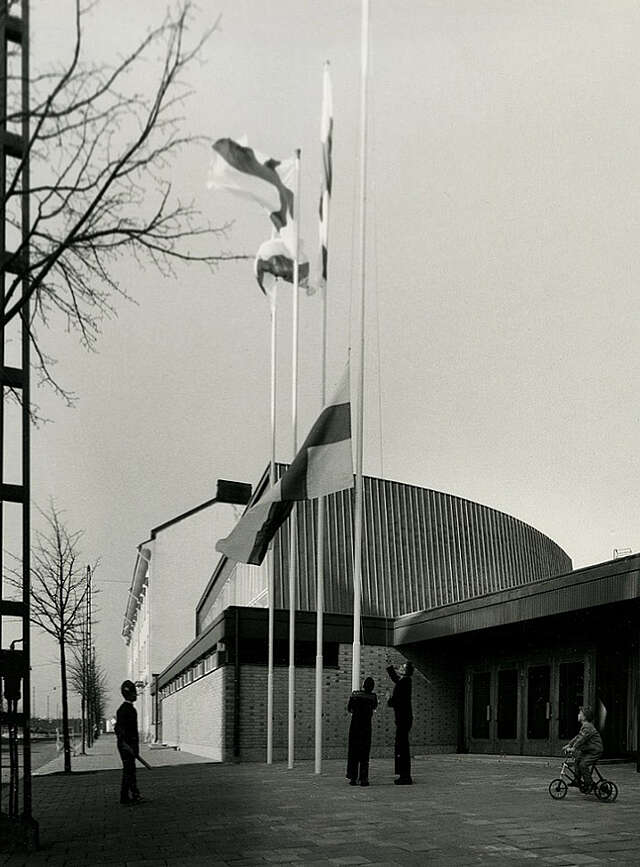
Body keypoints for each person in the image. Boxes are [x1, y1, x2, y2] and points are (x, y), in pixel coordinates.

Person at [346, 677, 378, 786]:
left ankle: (353, 778)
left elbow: (349, 708)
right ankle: (364, 778)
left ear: (363, 685)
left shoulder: (355, 695)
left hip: (355, 726)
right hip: (366, 727)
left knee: (353, 752)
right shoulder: (373, 697)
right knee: (364, 754)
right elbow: (374, 707)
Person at [564, 705, 603, 792]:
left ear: (584, 717)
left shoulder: (588, 727)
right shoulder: (585, 726)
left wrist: (574, 748)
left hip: (594, 751)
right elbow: (578, 737)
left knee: (583, 765)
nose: (578, 715)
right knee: (577, 759)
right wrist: (569, 745)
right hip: (588, 750)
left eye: (579, 713)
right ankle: (577, 780)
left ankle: (589, 783)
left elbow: (581, 739)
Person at [115, 679, 142, 805]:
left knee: (131, 770)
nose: (136, 695)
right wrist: (127, 745)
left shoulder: (127, 709)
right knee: (128, 771)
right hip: (126, 746)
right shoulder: (126, 710)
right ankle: (124, 797)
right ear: (129, 694)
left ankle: (135, 794)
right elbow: (120, 730)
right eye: (134, 693)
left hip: (129, 745)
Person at [387, 661, 414, 785]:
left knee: (402, 747)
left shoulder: (405, 682)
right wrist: (389, 666)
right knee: (401, 745)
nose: (400, 667)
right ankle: (403, 774)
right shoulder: (404, 681)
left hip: (403, 719)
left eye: (403, 667)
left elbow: (398, 701)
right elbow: (395, 678)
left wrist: (389, 699)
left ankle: (405, 776)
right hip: (404, 718)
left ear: (406, 671)